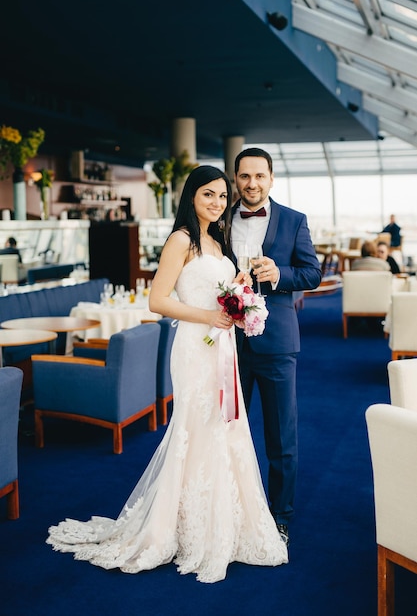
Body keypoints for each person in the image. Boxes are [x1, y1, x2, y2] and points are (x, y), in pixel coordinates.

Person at [46, 165, 288, 583]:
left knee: (226, 425)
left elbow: (221, 291)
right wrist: (211, 313)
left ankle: (227, 522)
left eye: (220, 195)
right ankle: (181, 526)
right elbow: (158, 301)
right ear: (191, 195)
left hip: (222, 345)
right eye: (207, 194)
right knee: (197, 426)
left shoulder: (218, 240)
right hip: (195, 347)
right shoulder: (181, 240)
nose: (216, 202)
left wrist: (241, 290)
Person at [231, 148, 322, 547]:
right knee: (226, 432)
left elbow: (313, 273)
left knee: (281, 439)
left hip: (277, 344)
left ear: (271, 178)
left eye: (259, 176)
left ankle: (279, 518)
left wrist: (279, 273)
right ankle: (230, 510)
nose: (252, 183)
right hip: (226, 343)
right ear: (236, 179)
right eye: (244, 176)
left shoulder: (294, 220)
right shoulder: (217, 219)